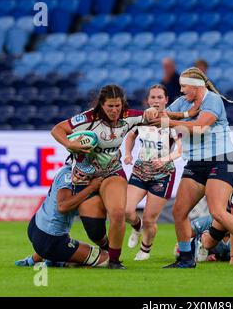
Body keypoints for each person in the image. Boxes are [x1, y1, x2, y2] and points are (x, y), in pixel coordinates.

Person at [150, 67, 233, 269]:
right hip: (196, 163)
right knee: (179, 212)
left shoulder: (212, 99)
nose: (181, 90)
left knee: (217, 211)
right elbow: (162, 114)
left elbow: (200, 127)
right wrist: (152, 111)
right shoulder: (184, 102)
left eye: (184, 86)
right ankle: (186, 259)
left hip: (222, 160)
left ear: (196, 86)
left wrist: (167, 121)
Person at [50, 84, 158, 269]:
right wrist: (70, 143)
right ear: (101, 104)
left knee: (117, 213)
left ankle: (115, 261)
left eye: (118, 106)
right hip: (86, 177)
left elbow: (154, 118)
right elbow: (57, 129)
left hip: (112, 172)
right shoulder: (87, 118)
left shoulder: (128, 116)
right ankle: (106, 250)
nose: (115, 110)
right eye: (110, 106)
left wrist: (152, 112)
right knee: (95, 231)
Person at [124, 84, 183, 261]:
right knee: (126, 211)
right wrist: (127, 153)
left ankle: (145, 249)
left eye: (159, 97)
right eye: (153, 97)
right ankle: (136, 227)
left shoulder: (171, 122)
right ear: (147, 100)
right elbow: (131, 136)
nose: (156, 101)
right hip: (140, 171)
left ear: (166, 100)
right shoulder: (141, 119)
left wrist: (164, 159)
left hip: (162, 175)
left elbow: (179, 150)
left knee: (150, 219)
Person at [15, 166, 109, 268]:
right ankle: (56, 262)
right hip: (50, 237)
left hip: (38, 225)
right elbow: (62, 206)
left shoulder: (68, 169)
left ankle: (33, 260)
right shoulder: (69, 175)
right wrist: (91, 188)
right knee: (105, 259)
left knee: (57, 238)